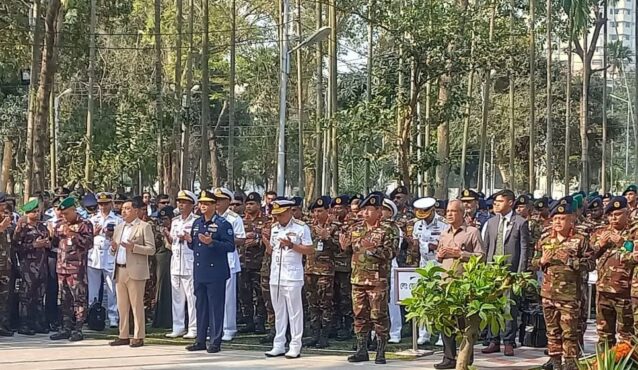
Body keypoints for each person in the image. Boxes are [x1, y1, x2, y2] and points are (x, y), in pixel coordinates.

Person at [532, 202, 594, 370]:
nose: (558, 222)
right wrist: (542, 261)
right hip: (548, 294)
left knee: (569, 334)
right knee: (552, 332)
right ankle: (555, 362)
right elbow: (533, 262)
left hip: (570, 296)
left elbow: (590, 264)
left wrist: (569, 260)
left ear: (571, 220)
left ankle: (570, 363)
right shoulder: (546, 239)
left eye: (562, 218)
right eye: (555, 219)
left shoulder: (580, 240)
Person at [339, 193, 398, 365]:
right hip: (357, 279)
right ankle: (361, 350)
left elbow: (391, 253)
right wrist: (343, 246)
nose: (364, 213)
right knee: (359, 315)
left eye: (368, 210)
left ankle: (380, 351)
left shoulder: (388, 229)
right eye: (363, 210)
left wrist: (373, 250)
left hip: (377, 281)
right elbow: (349, 249)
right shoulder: (356, 228)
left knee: (378, 316)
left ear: (379, 211)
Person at [434, 199, 484, 369]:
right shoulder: (444, 233)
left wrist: (460, 254)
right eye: (448, 211)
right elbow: (439, 256)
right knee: (445, 321)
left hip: (464, 285)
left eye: (453, 211)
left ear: (462, 214)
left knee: (464, 323)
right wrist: (440, 255)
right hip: (445, 284)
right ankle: (448, 357)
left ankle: (466, 357)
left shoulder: (472, 232)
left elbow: (480, 257)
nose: (449, 214)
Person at [185, 190, 235, 353]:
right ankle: (200, 340)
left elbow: (230, 246)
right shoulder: (197, 223)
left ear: (215, 205)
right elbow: (195, 247)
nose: (203, 206)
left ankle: (215, 341)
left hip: (216, 272)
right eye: (201, 203)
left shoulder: (222, 224)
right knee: (201, 307)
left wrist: (212, 242)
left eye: (206, 203)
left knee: (215, 308)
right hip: (200, 271)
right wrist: (189, 241)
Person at [482, 189, 530, 356]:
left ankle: (508, 341)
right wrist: (484, 269)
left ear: (510, 202)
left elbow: (524, 250)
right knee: (492, 305)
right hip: (492, 271)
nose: (496, 205)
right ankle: (493, 339)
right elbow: (487, 247)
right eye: (495, 202)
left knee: (509, 306)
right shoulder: (491, 222)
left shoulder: (520, 222)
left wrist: (520, 273)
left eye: (500, 201)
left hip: (511, 271)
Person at [264, 199, 314, 359]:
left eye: (280, 214)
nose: (278, 218)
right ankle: (278, 344)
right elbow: (273, 251)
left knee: (295, 312)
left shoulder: (301, 227)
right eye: (276, 215)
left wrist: (292, 246)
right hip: (276, 275)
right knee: (278, 312)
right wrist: (267, 246)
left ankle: (295, 345)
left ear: (289, 212)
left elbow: (310, 250)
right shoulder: (274, 228)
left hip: (292, 276)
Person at [108, 197, 156, 348]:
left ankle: (138, 335)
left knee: (136, 304)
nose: (124, 211)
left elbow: (151, 249)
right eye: (122, 209)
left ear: (136, 210)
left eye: (127, 208)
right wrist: (113, 248)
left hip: (135, 270)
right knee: (122, 305)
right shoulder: (119, 227)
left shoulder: (144, 227)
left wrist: (134, 248)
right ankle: (123, 335)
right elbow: (113, 250)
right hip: (120, 269)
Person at [591, 196, 635, 347]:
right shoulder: (600, 232)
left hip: (625, 292)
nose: (613, 219)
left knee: (626, 336)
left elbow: (634, 253)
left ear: (627, 213)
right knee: (604, 335)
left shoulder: (633, 233)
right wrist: (601, 244)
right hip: (603, 290)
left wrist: (622, 242)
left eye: (617, 214)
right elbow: (589, 257)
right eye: (610, 215)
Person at [50, 197, 93, 342]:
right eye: (62, 214)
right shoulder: (60, 225)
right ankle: (65, 328)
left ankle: (78, 329)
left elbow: (89, 243)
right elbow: (54, 242)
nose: (64, 217)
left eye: (67, 213)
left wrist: (73, 236)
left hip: (77, 269)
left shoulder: (84, 224)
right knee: (64, 300)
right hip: (61, 268)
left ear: (74, 211)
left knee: (79, 300)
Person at [303, 196, 339, 349]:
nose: (317, 214)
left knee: (326, 305)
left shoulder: (335, 227)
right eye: (315, 212)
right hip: (310, 270)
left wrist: (327, 237)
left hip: (326, 272)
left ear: (328, 211)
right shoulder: (307, 227)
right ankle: (314, 334)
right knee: (313, 305)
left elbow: (340, 249)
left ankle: (324, 336)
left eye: (320, 211)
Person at [412, 197, 447, 345]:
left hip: (439, 265)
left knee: (441, 299)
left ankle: (441, 335)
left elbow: (442, 245)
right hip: (423, 265)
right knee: (423, 299)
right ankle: (424, 334)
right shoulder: (418, 225)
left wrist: (431, 246)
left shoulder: (443, 224)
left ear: (432, 211)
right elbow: (415, 243)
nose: (424, 218)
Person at [13, 198, 50, 335]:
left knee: (39, 296)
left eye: (38, 211)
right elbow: (16, 247)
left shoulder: (42, 227)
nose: (37, 214)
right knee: (26, 296)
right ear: (27, 213)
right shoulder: (22, 228)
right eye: (34, 212)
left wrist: (46, 243)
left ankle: (38, 322)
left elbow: (48, 240)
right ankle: (24, 324)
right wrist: (33, 245)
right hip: (28, 266)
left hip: (42, 266)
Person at [213, 187, 246, 341]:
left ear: (228, 201)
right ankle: (215, 327)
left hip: (228, 259)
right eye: (215, 200)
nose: (217, 203)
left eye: (220, 200)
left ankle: (229, 328)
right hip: (212, 260)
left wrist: (223, 240)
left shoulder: (234, 218)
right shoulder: (210, 217)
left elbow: (241, 239)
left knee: (228, 297)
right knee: (214, 296)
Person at [166, 190, 198, 339]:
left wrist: (188, 238)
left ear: (192, 204)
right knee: (177, 297)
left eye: (184, 202)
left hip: (189, 263)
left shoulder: (196, 221)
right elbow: (172, 241)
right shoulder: (175, 221)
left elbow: (197, 241)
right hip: (176, 262)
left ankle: (193, 327)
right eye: (179, 202)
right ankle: (178, 326)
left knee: (192, 298)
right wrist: (168, 236)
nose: (181, 205)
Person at [88, 192, 122, 328]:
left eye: (106, 204)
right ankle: (92, 315)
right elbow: (85, 237)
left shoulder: (117, 219)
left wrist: (111, 236)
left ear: (111, 204)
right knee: (93, 289)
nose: (103, 207)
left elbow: (120, 238)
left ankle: (113, 316)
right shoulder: (92, 219)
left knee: (111, 289)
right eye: (101, 204)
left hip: (109, 255)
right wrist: (94, 233)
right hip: (94, 256)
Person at [238, 192, 267, 335]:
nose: (249, 207)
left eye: (252, 204)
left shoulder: (266, 221)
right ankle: (248, 321)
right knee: (245, 294)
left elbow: (270, 239)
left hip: (259, 263)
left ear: (259, 205)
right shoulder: (241, 221)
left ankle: (260, 322)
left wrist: (258, 240)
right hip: (243, 263)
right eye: (247, 204)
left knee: (260, 295)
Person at [380, 198, 404, 346]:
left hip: (390, 266)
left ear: (390, 212)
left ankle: (395, 332)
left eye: (383, 209)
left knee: (392, 302)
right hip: (376, 269)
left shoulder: (395, 228)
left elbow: (394, 250)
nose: (381, 212)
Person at [331, 195, 355, 340]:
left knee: (346, 299)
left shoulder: (354, 224)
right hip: (332, 267)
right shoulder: (331, 223)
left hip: (346, 267)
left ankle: (348, 326)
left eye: (341, 207)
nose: (337, 210)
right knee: (335, 299)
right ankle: (337, 325)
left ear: (347, 208)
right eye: (335, 207)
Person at [0, 192, 13, 337]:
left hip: (5, 266)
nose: (4, 207)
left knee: (4, 297)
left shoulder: (7, 220)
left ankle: (3, 325)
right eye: (2, 204)